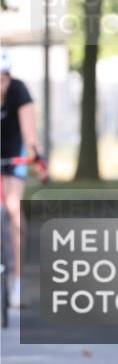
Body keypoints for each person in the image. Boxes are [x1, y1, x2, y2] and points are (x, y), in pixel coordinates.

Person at [1, 48, 48, 309]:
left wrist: (37, 158)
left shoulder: (19, 91)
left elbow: (29, 133)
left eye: (1, 78)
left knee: (13, 207)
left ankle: (17, 282)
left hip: (13, 152)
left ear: (8, 77)